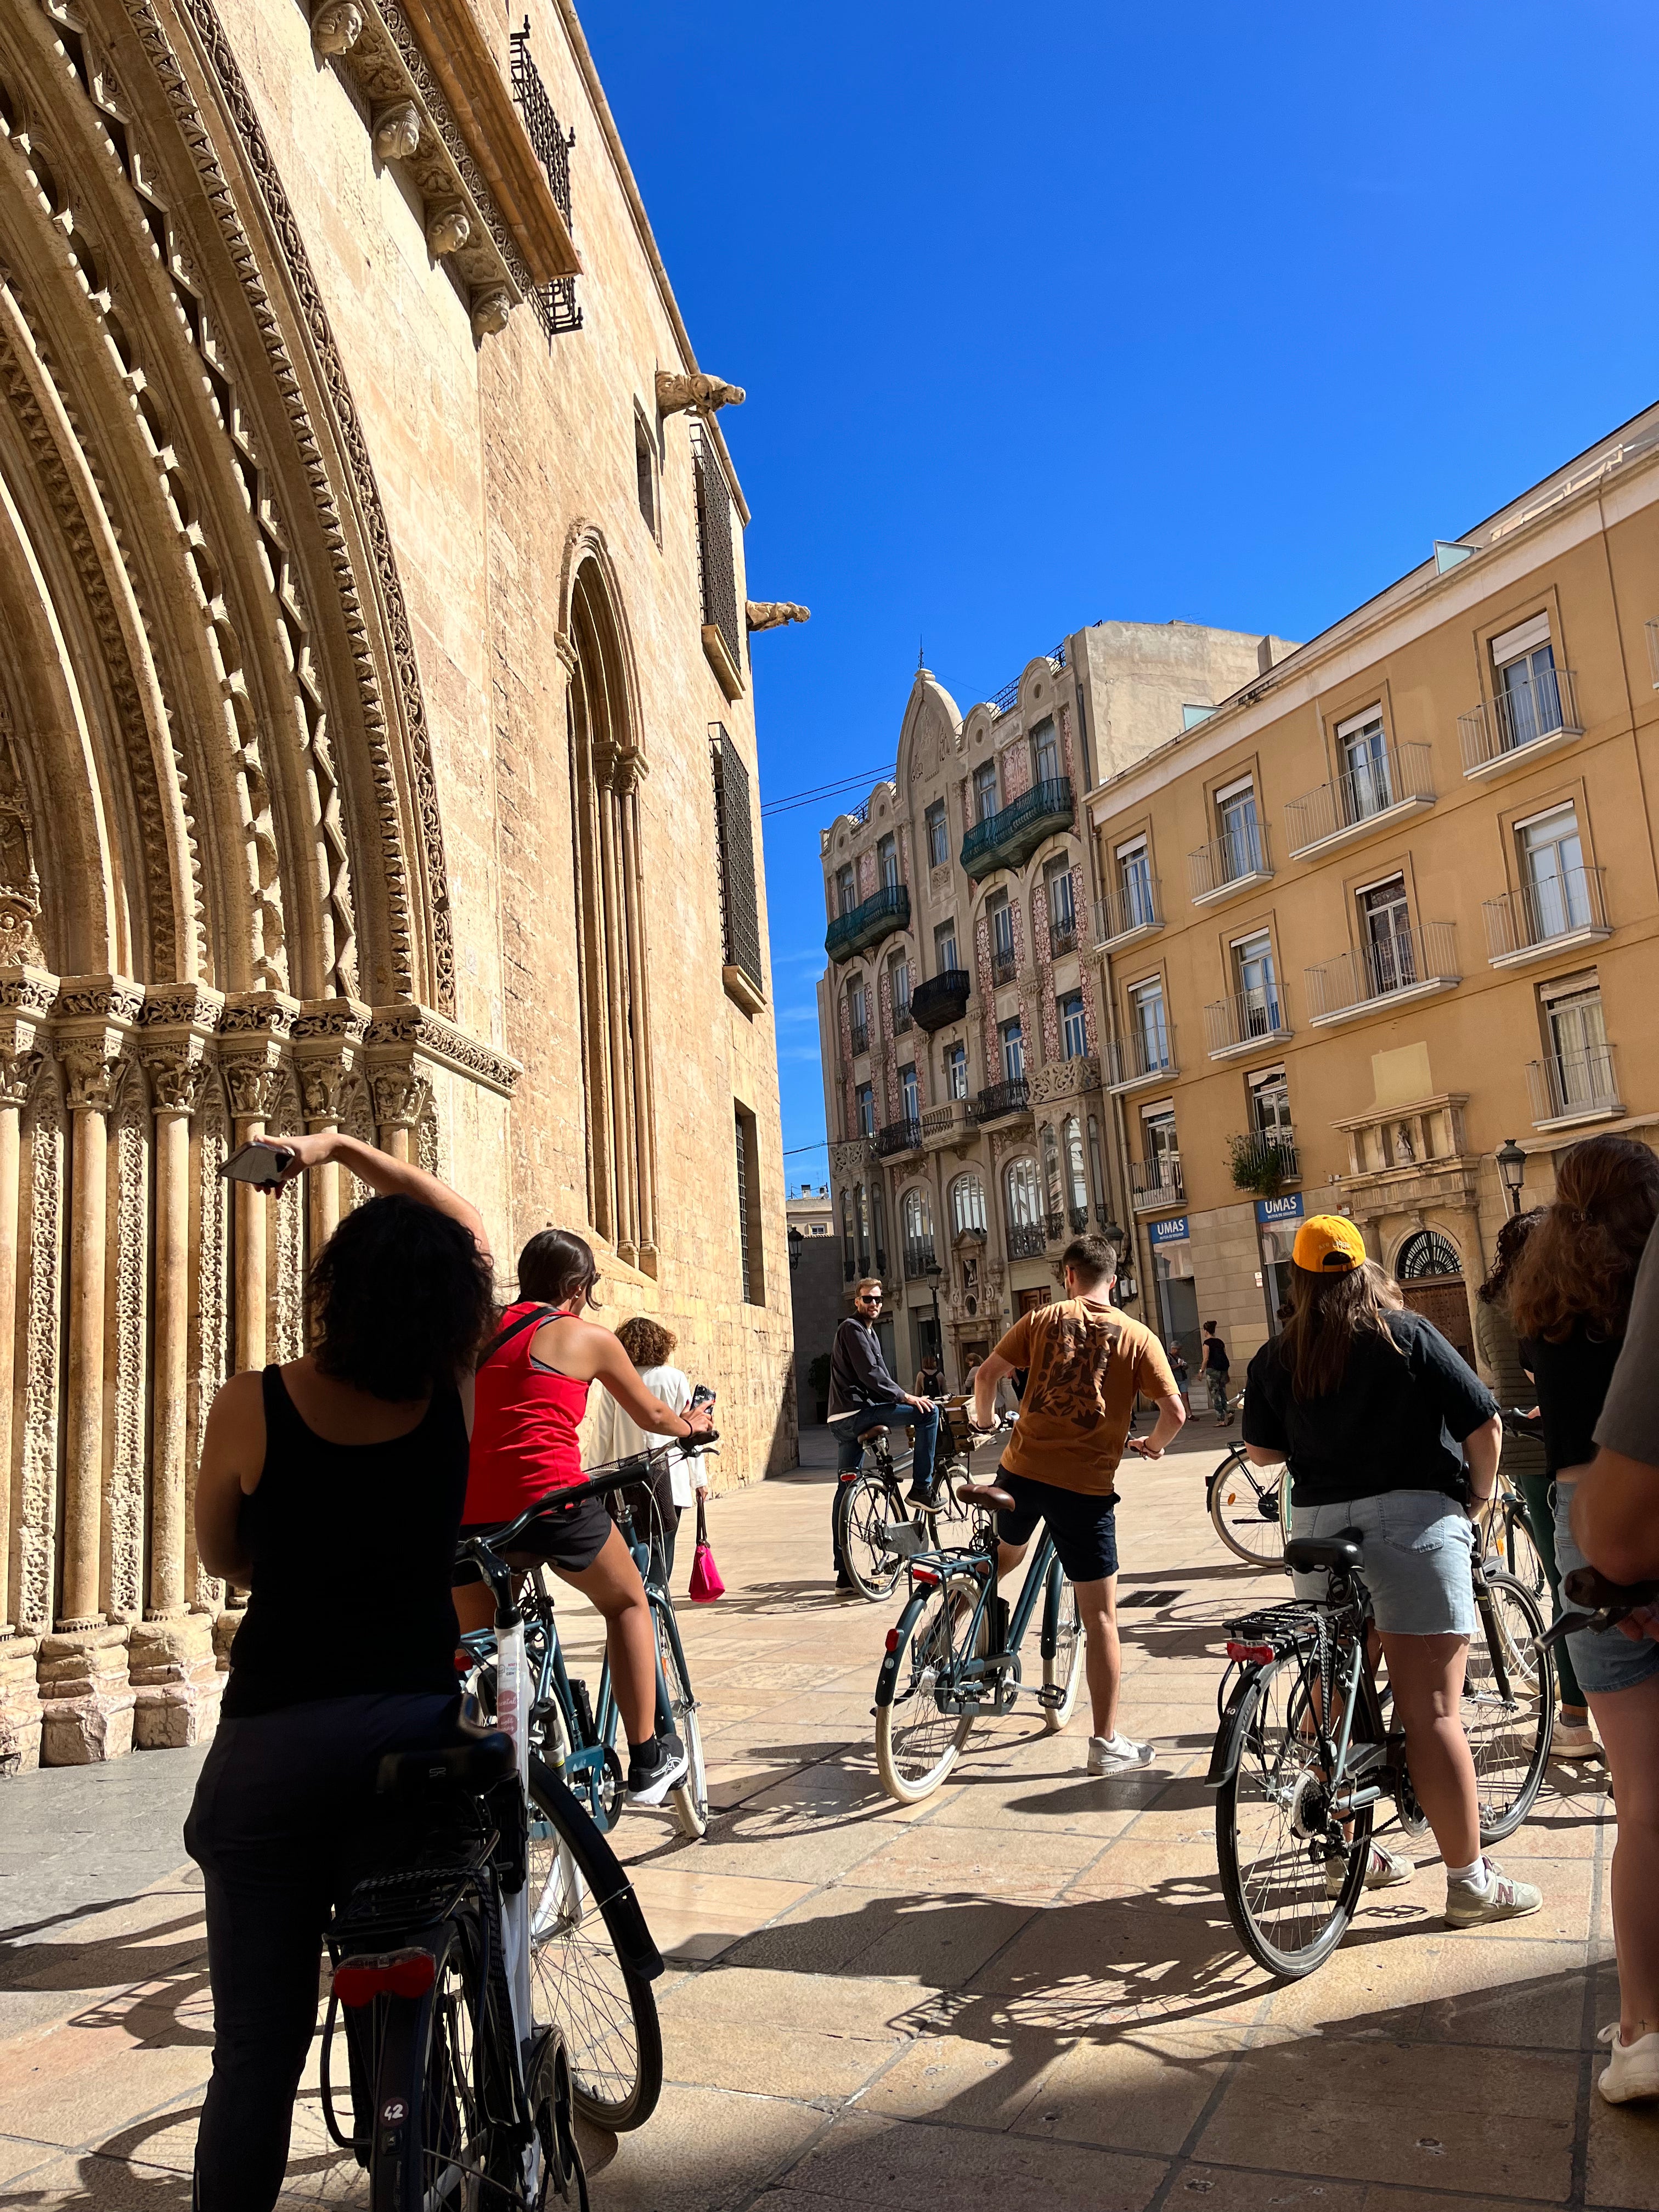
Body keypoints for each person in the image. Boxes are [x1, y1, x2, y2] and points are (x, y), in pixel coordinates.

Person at [185, 1130, 496, 2211]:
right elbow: (464, 1227)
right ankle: (410, 2150)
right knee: (394, 1993)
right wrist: (344, 1147)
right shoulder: (451, 1394)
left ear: (333, 1292)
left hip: (275, 1747)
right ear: (451, 1308)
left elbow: (223, 1558)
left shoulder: (250, 1402)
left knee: (254, 2060)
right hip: (413, 1740)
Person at [1242, 1216, 1540, 1928]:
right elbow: (1484, 1424)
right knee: (1432, 1710)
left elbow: (1259, 1454)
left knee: (1334, 1687)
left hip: (1318, 1531)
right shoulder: (1405, 1333)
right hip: (1412, 1521)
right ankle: (1468, 1881)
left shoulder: (1280, 1353)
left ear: (1301, 1280)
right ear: (1360, 1269)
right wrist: (1476, 1496)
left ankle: (1349, 1847)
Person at [455, 1229, 713, 1805]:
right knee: (628, 1603)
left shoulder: (475, 1331)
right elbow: (651, 1412)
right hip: (551, 1501)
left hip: (475, 1515)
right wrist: (692, 1424)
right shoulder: (586, 1337)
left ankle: (486, 1758)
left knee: (477, 1644)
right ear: (577, 1287)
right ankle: (648, 1757)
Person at [1510, 1136, 1659, 2105]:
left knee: (1641, 1797)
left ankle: (1642, 2029)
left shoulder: (1541, 1299)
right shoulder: (1646, 1286)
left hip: (1578, 1533)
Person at [969, 1233, 1185, 1774]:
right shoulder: (1137, 1336)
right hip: (1085, 1490)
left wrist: (986, 1420)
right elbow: (1175, 1413)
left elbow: (988, 1374)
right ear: (1113, 1280)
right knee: (1102, 1618)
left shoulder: (1042, 1320)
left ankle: (957, 1610)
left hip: (1021, 1470)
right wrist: (1152, 1447)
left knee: (1005, 1555)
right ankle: (1105, 1743)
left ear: (1068, 1276)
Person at [1471, 1209, 1595, 1756]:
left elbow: (1490, 1366)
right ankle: (1574, 1714)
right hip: (1557, 1445)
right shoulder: (1553, 1296)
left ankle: (1575, 1705)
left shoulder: (1485, 1301)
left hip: (1516, 1450)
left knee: (1558, 1571)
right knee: (1576, 1580)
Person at [585, 1314, 707, 1589]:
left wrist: (589, 1475)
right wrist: (699, 1480)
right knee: (665, 1545)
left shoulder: (616, 1381)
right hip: (670, 1478)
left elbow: (602, 1436)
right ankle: (659, 1600)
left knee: (634, 1543)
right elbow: (689, 1431)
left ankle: (640, 1598)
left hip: (628, 1480)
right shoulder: (675, 1379)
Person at [828, 1278, 941, 1553]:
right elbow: (872, 1376)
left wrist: (901, 1399)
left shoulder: (870, 1334)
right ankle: (922, 1489)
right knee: (929, 1415)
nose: (874, 1304)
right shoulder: (853, 1329)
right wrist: (906, 1398)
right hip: (857, 1413)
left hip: (841, 1420)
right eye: (868, 1299)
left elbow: (879, 1378)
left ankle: (844, 1572)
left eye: (878, 1300)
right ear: (857, 1301)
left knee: (847, 1488)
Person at [1201, 1319, 1233, 1427]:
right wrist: (1227, 1373)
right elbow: (1224, 1356)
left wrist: (1201, 1371)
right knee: (1223, 1393)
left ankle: (1221, 1420)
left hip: (1212, 1371)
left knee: (1215, 1396)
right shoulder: (1220, 1342)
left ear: (1206, 1331)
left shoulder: (1207, 1343)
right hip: (1223, 1370)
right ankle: (1229, 1410)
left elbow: (1206, 1359)